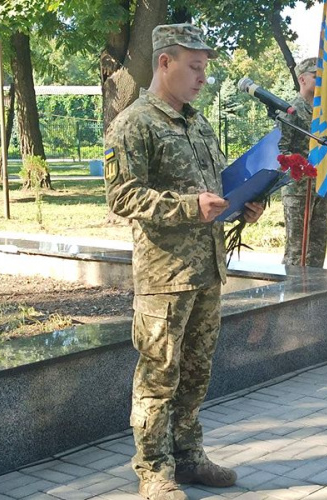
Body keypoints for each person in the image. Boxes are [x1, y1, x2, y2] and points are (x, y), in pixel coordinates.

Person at [105, 23, 264, 500]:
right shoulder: (134, 123)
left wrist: (244, 204)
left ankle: (189, 456)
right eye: (194, 68)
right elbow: (122, 195)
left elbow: (215, 186)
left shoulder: (198, 123)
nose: (202, 78)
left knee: (196, 372)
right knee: (159, 375)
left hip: (208, 270)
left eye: (205, 69)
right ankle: (153, 469)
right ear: (164, 62)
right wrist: (189, 208)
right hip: (165, 276)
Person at [278, 57, 327, 267]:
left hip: (320, 187)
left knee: (317, 248)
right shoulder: (291, 110)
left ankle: (314, 297)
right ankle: (292, 297)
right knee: (297, 250)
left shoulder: (324, 113)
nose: (321, 82)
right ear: (302, 79)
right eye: (317, 77)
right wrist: (300, 166)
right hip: (298, 189)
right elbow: (280, 150)